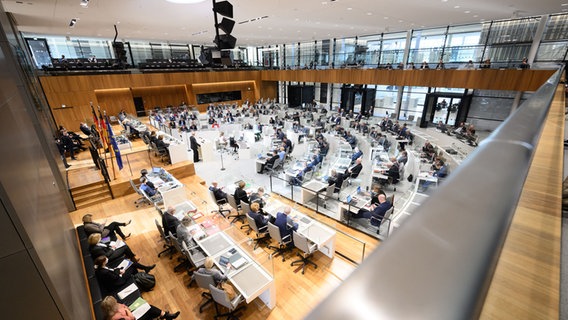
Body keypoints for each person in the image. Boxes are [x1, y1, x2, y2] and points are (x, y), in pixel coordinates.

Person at [100, 296, 180, 320]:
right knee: (148, 308)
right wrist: (126, 310)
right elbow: (132, 318)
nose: (117, 303)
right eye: (115, 302)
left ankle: (164, 315)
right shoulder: (117, 318)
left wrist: (125, 309)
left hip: (129, 314)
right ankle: (165, 316)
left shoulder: (111, 311)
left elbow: (122, 305)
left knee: (146, 305)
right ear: (112, 307)